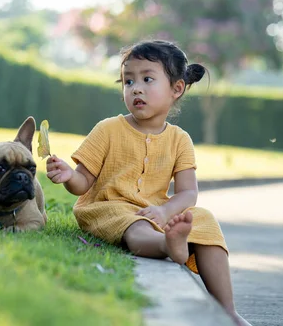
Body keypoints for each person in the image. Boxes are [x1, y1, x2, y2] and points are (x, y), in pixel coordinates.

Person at [46, 40, 250, 326]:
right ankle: (168, 245)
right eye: (128, 81)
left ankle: (227, 309)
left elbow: (188, 192)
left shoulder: (180, 140)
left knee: (205, 222)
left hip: (156, 211)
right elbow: (82, 183)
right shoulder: (108, 129)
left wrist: (166, 213)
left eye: (147, 79)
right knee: (135, 225)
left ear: (176, 89)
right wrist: (69, 176)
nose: (135, 88)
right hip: (109, 209)